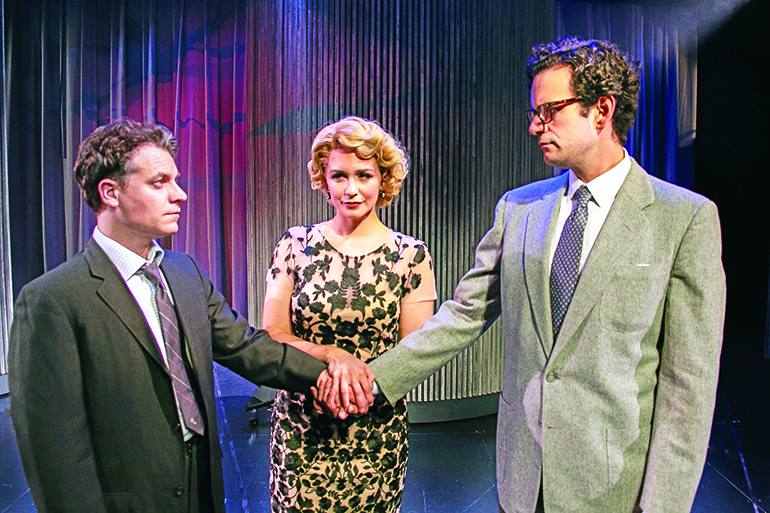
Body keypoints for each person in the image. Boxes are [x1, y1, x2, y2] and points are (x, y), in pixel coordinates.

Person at [367, 37, 726, 513]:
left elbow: (689, 387)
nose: (535, 125)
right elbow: (463, 315)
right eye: (535, 112)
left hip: (615, 487)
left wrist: (664, 506)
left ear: (602, 110)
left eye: (549, 110)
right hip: (522, 478)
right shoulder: (518, 207)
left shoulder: (683, 218)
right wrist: (374, 379)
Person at [8, 119, 330, 513]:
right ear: (110, 192)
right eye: (160, 183)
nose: (180, 195)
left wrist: (330, 370)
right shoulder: (51, 300)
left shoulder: (185, 273)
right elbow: (56, 450)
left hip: (203, 492)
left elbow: (248, 349)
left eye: (175, 180)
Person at [262, 115, 436, 512]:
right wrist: (326, 370)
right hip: (302, 428)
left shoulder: (411, 255)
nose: (352, 189)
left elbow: (415, 352)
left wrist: (356, 393)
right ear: (323, 180)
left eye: (364, 175)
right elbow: (272, 335)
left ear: (384, 180)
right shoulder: (294, 244)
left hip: (375, 431)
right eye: (339, 176)